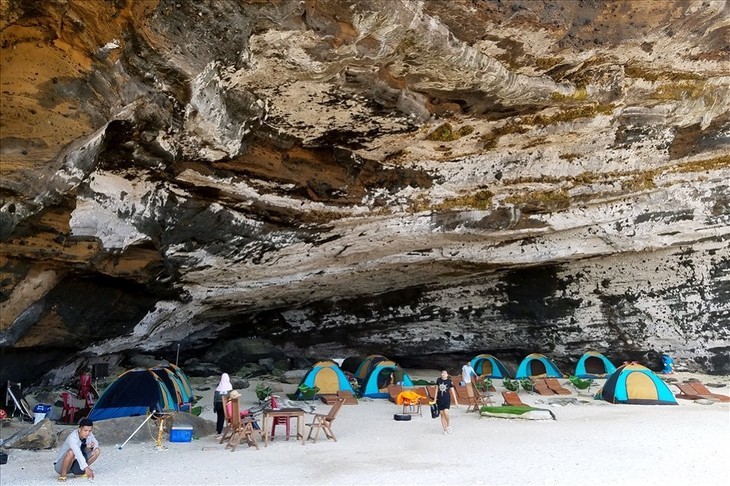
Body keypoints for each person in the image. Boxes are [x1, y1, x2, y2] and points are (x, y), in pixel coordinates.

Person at [435, 370, 454, 435]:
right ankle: (445, 429)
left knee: (446, 412)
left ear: (447, 375)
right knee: (442, 414)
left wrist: (456, 401)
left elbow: (452, 390)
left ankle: (448, 425)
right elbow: (436, 389)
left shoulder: (449, 381)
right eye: (442, 373)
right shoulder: (438, 380)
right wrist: (435, 399)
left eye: (444, 373)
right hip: (440, 399)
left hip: (447, 399)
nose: (443, 374)